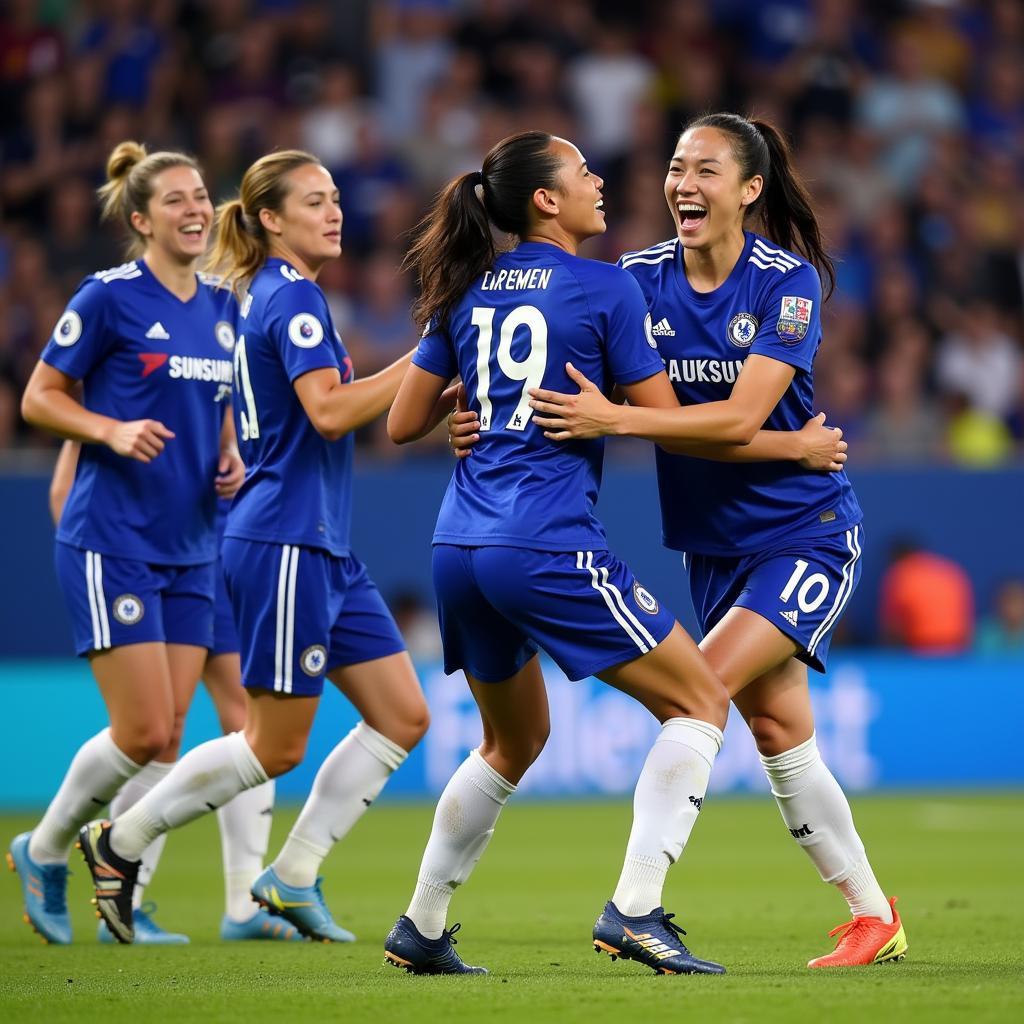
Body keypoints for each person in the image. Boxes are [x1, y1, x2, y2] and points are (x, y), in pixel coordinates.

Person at [382, 130, 846, 978]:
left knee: (511, 743)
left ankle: (421, 924)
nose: (605, 181)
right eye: (584, 172)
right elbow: (687, 425)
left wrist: (471, 403)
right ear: (547, 201)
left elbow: (401, 424)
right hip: (544, 542)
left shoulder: (465, 285)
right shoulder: (606, 287)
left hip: (458, 541)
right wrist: (792, 450)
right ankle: (634, 911)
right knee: (701, 700)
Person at [527, 113, 908, 969]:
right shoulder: (633, 280)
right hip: (711, 547)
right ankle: (873, 913)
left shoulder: (788, 283)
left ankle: (633, 904)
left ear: (748, 190)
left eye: (705, 170)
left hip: (802, 534)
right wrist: (477, 412)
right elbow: (552, 367)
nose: (682, 184)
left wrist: (613, 418)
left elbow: (735, 418)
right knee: (775, 729)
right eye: (674, 166)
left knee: (697, 691)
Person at [75, 149, 440, 946]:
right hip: (281, 543)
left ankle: (292, 874)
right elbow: (334, 413)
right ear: (271, 219)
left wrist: (438, 393)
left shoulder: (290, 298)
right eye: (315, 201)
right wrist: (426, 357)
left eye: (337, 197)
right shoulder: (293, 302)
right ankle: (120, 840)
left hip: (321, 545)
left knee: (404, 713)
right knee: (273, 745)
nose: (335, 211)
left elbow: (342, 414)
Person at [12, 142, 246, 946]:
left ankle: (125, 902)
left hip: (191, 543)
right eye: (175, 200)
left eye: (200, 196)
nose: (194, 210)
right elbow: (40, 398)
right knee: (144, 731)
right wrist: (107, 427)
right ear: (141, 219)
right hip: (113, 537)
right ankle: (43, 849)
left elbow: (215, 406)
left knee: (170, 736)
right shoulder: (107, 297)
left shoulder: (223, 307)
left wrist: (227, 453)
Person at [48, 441, 296, 942]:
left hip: (218, 554)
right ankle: (118, 897)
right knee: (160, 729)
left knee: (245, 719)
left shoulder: (223, 376)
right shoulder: (145, 377)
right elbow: (64, 487)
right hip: (157, 556)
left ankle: (240, 902)